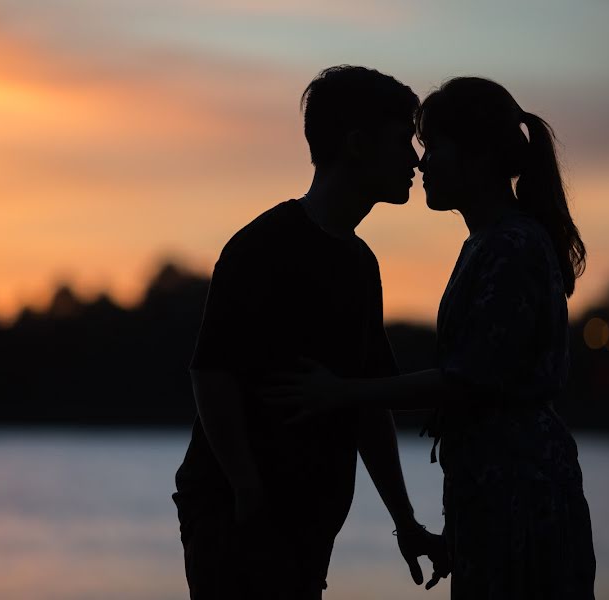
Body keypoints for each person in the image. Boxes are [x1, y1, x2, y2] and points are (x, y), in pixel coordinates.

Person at [266, 77, 597, 599]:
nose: (421, 164)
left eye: (433, 146)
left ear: (480, 157)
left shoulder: (511, 247)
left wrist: (342, 392)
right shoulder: (489, 243)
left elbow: (469, 379)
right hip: (493, 486)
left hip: (519, 490)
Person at [172, 65, 446, 600]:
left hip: (305, 522)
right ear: (357, 145)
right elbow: (210, 374)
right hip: (240, 520)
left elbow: (367, 402)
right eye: (400, 141)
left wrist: (405, 521)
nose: (414, 159)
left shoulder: (360, 265)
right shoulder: (261, 248)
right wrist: (248, 492)